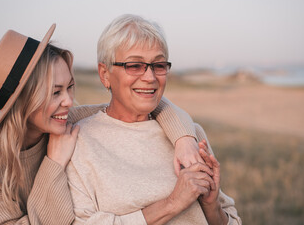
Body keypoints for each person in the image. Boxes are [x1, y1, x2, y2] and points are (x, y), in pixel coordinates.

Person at [0, 24, 205, 224]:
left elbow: (147, 104)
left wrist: (184, 139)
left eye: (69, 87)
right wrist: (54, 163)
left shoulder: (60, 122)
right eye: (55, 92)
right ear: (22, 102)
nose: (69, 101)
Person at [67, 14, 241, 224]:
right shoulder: (77, 143)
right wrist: (174, 202)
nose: (150, 77)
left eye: (158, 65)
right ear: (105, 74)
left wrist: (211, 205)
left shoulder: (190, 136)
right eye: (134, 65)